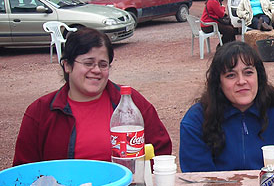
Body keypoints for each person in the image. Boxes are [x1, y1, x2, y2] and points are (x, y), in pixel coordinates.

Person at [13, 27, 172, 166]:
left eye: (103, 64)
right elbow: (24, 170)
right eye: (89, 63)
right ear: (67, 65)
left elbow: (161, 149)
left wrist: (138, 181)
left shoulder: (130, 103)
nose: (96, 70)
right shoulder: (41, 111)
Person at [179, 41, 274, 172]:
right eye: (231, 75)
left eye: (248, 72)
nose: (242, 81)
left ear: (259, 76)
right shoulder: (196, 120)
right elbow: (197, 179)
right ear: (218, 83)